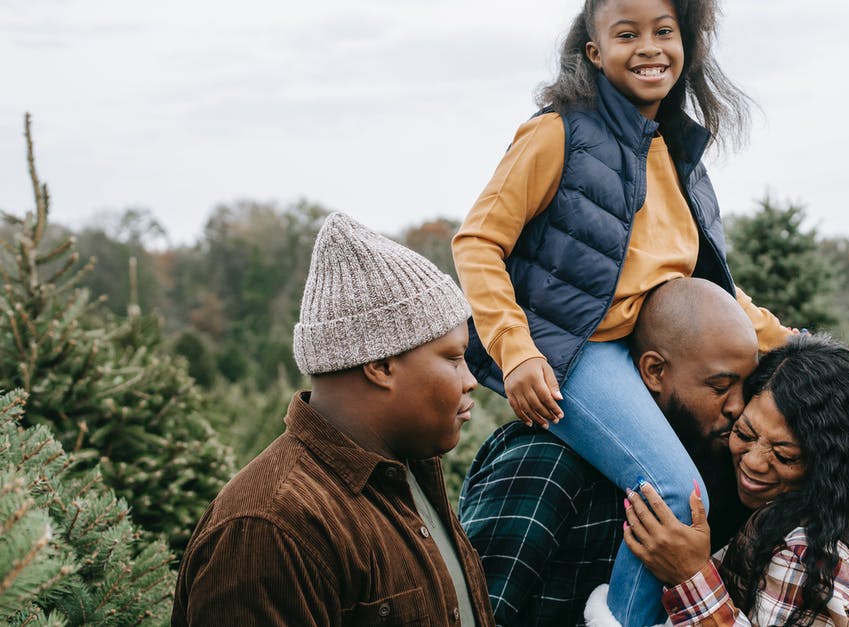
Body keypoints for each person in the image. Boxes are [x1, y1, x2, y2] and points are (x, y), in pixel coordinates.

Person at [451, 1, 794, 623]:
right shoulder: (557, 133)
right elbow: (477, 242)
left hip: (640, 348)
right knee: (673, 492)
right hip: (573, 352)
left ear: (686, 43)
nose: (649, 48)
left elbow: (708, 286)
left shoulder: (680, 151)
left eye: (664, 32)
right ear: (593, 50)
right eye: (627, 34)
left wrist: (791, 345)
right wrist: (516, 349)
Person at [173, 213, 495, 626]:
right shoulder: (271, 530)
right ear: (380, 365)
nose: (471, 381)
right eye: (453, 359)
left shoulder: (409, 477)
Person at [459, 278, 758, 625]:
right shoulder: (547, 465)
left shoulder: (719, 478)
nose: (738, 407)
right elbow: (472, 614)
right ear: (654, 371)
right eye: (720, 386)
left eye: (745, 388)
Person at [610, 334, 849, 627]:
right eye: (744, 432)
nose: (752, 461)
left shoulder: (810, 556)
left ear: (830, 467)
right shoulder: (811, 517)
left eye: (785, 456)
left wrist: (691, 576)